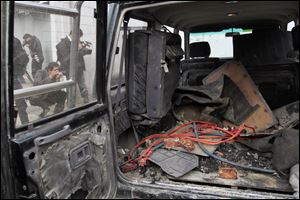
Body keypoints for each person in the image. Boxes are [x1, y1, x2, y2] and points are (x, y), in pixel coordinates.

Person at [56, 29, 91, 104]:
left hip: (79, 68)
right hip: (69, 69)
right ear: (73, 34)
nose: (79, 39)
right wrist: (78, 49)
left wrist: (83, 49)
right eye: (78, 37)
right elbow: (66, 59)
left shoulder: (75, 42)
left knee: (83, 86)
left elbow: (82, 53)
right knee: (71, 88)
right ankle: (70, 104)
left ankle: (87, 102)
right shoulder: (62, 44)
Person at [13, 37, 30, 125]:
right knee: (19, 102)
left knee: (19, 102)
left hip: (11, 75)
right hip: (12, 76)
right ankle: (25, 124)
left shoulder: (13, 41)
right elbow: (24, 58)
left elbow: (24, 58)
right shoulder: (14, 40)